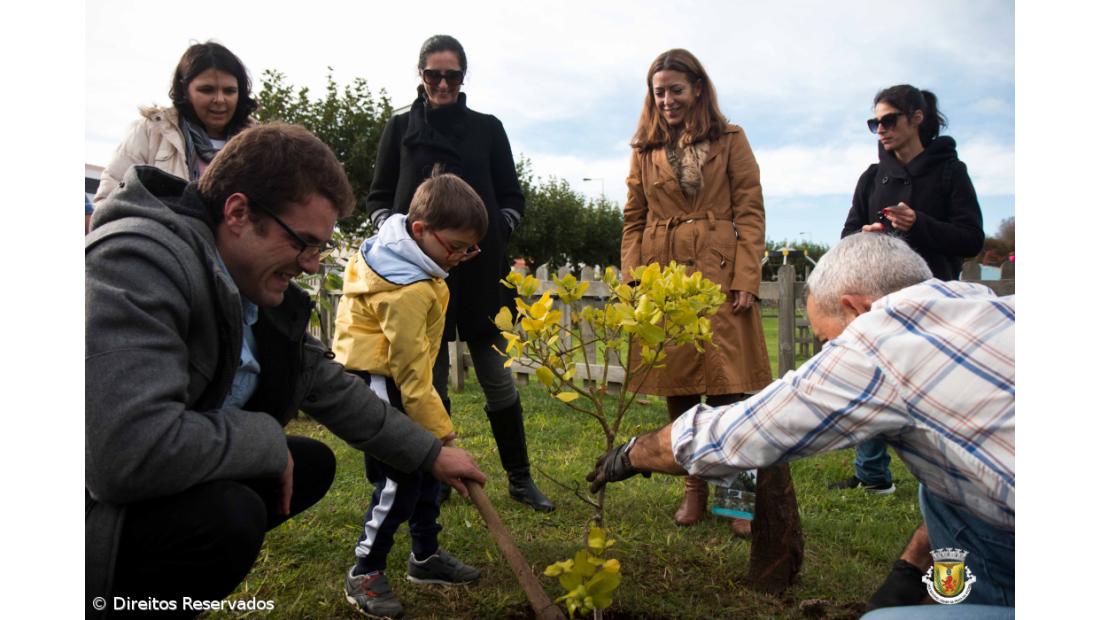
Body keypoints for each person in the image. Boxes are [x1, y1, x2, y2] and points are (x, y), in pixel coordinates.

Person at [85, 123, 486, 619]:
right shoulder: (137, 261)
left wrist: (431, 454)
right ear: (238, 213)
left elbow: (329, 386)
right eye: (304, 243)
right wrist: (266, 441)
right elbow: (126, 453)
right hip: (89, 517)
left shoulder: (252, 288)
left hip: (147, 485)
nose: (314, 266)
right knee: (230, 515)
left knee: (313, 463)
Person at [589, 233, 1014, 616]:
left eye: (828, 340)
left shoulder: (876, 345)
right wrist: (910, 566)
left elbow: (729, 437)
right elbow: (962, 475)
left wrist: (633, 452)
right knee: (937, 480)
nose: (829, 351)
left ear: (853, 308)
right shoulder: (991, 306)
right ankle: (956, 593)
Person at [364, 34, 553, 512]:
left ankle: (519, 477)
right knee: (433, 383)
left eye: (452, 74)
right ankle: (441, 477)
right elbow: (378, 197)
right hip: (420, 276)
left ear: (463, 77)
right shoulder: (399, 127)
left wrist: (499, 231)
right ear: (421, 75)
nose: (443, 83)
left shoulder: (487, 128)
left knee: (498, 380)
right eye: (434, 74)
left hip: (481, 275)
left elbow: (512, 195)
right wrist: (397, 234)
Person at [620, 49, 771, 533]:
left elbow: (750, 211)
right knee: (678, 383)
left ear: (698, 89)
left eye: (676, 90)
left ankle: (736, 493)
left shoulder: (731, 139)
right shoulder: (643, 149)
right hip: (662, 276)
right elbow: (633, 219)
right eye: (659, 91)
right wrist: (632, 279)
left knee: (730, 387)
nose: (666, 100)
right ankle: (694, 486)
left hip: (719, 272)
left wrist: (746, 276)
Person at [332, 170, 488, 617]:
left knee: (426, 475)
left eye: (468, 249)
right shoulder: (407, 288)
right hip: (380, 381)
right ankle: (365, 569)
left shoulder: (414, 258)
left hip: (401, 376)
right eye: (455, 246)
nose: (460, 256)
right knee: (400, 478)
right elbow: (410, 372)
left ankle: (425, 557)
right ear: (420, 230)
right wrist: (441, 434)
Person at [832, 85, 985, 499]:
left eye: (889, 120)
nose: (880, 129)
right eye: (874, 122)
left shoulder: (951, 171)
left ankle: (949, 484)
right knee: (871, 380)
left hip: (935, 299)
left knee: (937, 391)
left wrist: (918, 224)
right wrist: (866, 234)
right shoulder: (871, 176)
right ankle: (872, 474)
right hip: (877, 300)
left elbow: (972, 239)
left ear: (917, 117)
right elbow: (847, 234)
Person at [92, 41, 257, 207]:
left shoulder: (259, 142)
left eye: (229, 91)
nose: (220, 100)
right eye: (207, 90)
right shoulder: (150, 132)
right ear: (184, 90)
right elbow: (107, 203)